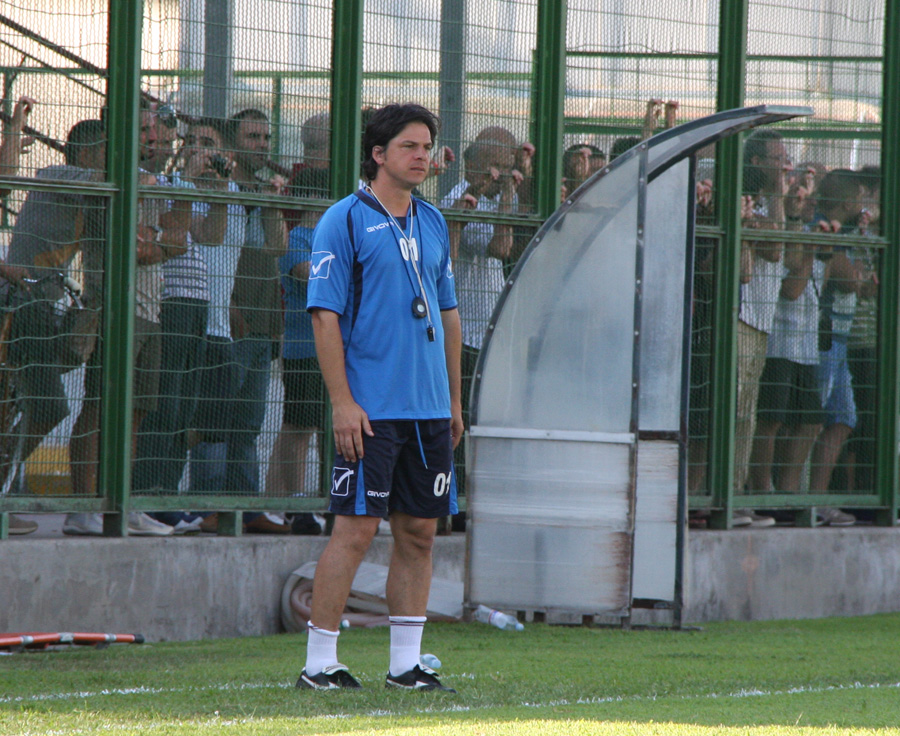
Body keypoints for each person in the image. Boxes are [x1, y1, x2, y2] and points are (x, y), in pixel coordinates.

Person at [298, 103, 462, 691]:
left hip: (428, 410)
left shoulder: (434, 221)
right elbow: (324, 318)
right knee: (356, 530)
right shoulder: (342, 220)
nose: (423, 157)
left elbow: (448, 316)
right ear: (378, 154)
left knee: (420, 532)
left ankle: (405, 665)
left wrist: (454, 403)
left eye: (427, 148)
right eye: (409, 147)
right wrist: (343, 402)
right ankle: (319, 665)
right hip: (370, 410)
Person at [65, 120, 189, 535]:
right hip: (115, 308)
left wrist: (161, 229)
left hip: (151, 311)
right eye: (141, 131)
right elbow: (142, 249)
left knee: (135, 414)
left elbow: (177, 241)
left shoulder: (149, 182)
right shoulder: (106, 182)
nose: (151, 140)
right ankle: (84, 507)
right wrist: (156, 239)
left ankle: (122, 502)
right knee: (100, 407)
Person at [188, 108, 289, 534]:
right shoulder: (214, 188)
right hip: (226, 319)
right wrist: (227, 304)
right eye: (253, 137)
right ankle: (207, 505)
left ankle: (244, 509)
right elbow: (211, 252)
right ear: (232, 145)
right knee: (214, 419)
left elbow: (275, 249)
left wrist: (272, 203)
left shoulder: (258, 190)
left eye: (266, 138)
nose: (262, 146)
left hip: (262, 323)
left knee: (248, 422)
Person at [132, 114, 231, 531]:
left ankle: (166, 495)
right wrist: (188, 181)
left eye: (205, 146)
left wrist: (221, 191)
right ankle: (148, 495)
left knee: (184, 407)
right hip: (168, 302)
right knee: (163, 405)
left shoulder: (189, 187)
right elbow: (170, 238)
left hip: (198, 304)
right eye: (190, 143)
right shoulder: (162, 183)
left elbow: (210, 235)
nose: (197, 152)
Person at [439, 137, 518, 505]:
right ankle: (454, 502)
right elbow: (501, 247)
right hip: (464, 331)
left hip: (490, 332)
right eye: (498, 166)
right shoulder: (460, 199)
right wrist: (501, 195)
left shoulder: (499, 198)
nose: (503, 175)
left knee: (487, 421)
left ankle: (480, 498)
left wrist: (509, 191)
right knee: (459, 422)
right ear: (477, 165)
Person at [264, 166, 330, 535]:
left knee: (330, 430)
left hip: (339, 351)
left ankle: (325, 500)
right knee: (300, 427)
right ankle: (297, 503)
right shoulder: (298, 239)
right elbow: (312, 274)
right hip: (306, 349)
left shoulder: (339, 240)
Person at [805, 169, 866, 524]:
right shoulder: (824, 227)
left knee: (843, 418)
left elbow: (863, 283)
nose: (864, 205)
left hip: (838, 340)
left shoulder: (846, 233)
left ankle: (818, 499)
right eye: (860, 197)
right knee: (817, 418)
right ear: (847, 201)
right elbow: (850, 278)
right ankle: (799, 499)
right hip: (821, 340)